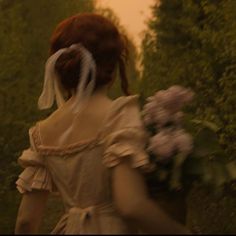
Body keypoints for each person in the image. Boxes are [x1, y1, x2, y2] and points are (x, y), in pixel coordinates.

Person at [14, 13, 190, 234]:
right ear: (112, 64)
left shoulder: (41, 132)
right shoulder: (119, 115)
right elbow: (131, 206)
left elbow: (26, 222)